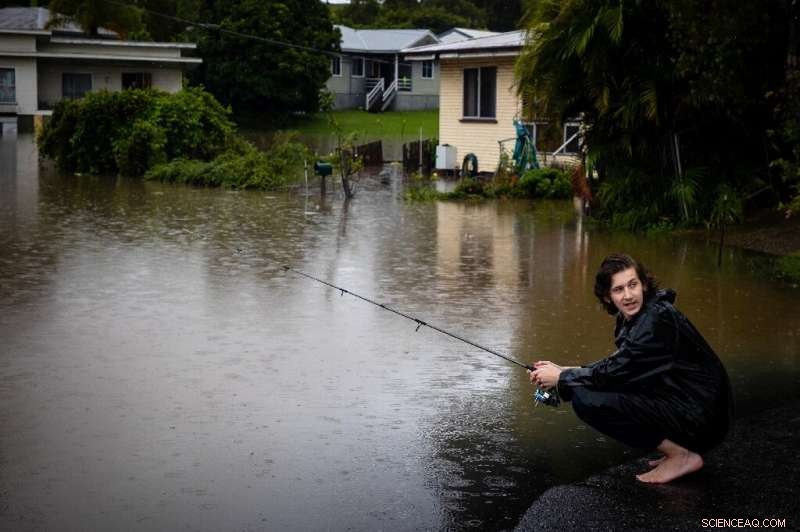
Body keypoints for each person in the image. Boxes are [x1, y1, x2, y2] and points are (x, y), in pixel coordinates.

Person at [530, 253, 732, 484]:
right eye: (618, 289)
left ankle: (681, 456)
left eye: (632, 285)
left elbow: (619, 370)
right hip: (694, 408)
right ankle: (678, 449)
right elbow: (624, 366)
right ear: (607, 296)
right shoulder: (641, 316)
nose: (628, 295)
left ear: (643, 285)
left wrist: (563, 377)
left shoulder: (655, 320)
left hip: (704, 419)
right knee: (592, 387)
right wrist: (564, 371)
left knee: (587, 400)